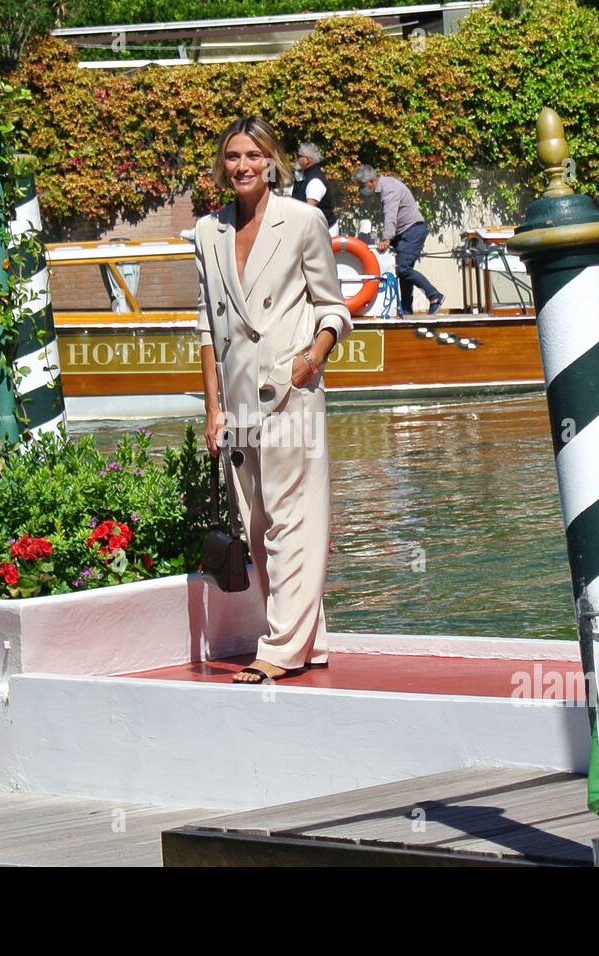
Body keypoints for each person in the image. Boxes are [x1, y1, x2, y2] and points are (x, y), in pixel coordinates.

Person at [192, 116, 353, 684]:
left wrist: (309, 362)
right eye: (233, 156)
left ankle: (281, 647)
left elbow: (333, 308)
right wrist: (212, 409)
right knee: (260, 528)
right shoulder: (207, 232)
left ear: (272, 162)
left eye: (253, 156)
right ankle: (311, 640)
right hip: (237, 403)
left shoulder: (303, 221)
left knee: (289, 519)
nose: (243, 166)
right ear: (222, 164)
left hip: (289, 392)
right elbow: (208, 330)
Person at [352, 165, 444, 315]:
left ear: (370, 181)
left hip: (412, 231)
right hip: (404, 233)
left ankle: (435, 296)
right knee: (403, 271)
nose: (361, 189)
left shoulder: (389, 189)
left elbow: (390, 215)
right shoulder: (384, 186)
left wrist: (387, 238)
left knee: (403, 269)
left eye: (361, 185)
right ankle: (406, 309)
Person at [291, 142, 339, 237]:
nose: (296, 158)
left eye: (299, 156)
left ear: (307, 160)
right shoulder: (305, 177)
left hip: (324, 233)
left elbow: (308, 211)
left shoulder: (315, 181)